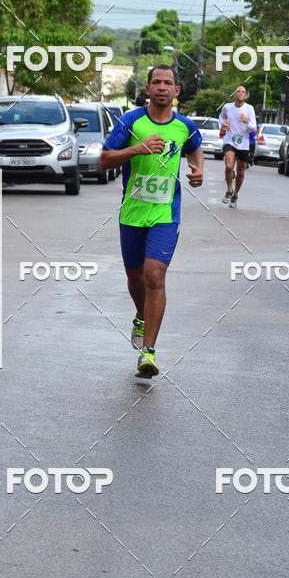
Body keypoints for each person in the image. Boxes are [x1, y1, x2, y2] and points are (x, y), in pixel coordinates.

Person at [100, 65, 204, 378]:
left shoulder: (185, 126)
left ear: (176, 91)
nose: (162, 87)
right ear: (147, 89)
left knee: (154, 275)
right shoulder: (130, 121)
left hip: (165, 215)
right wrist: (138, 149)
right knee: (135, 280)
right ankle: (141, 315)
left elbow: (195, 150)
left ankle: (148, 351)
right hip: (132, 213)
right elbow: (105, 159)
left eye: (167, 83)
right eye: (156, 82)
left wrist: (197, 171)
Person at [219, 86, 257, 207]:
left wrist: (246, 121)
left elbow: (254, 127)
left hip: (243, 143)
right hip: (229, 140)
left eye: (243, 92)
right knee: (229, 166)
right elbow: (221, 116)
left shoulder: (249, 109)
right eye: (238, 91)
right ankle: (229, 189)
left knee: (240, 171)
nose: (240, 93)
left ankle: (235, 194)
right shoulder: (227, 107)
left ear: (245, 96)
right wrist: (223, 123)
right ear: (234, 94)